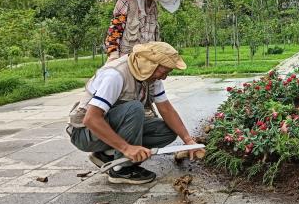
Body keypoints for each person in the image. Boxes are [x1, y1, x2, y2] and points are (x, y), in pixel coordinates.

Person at [66, 42, 204, 184]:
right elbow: (91, 119)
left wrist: (188, 140)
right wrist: (126, 148)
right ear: (149, 64)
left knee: (166, 131)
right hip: (85, 133)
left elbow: (166, 109)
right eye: (163, 72)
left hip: (107, 126)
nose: (164, 78)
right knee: (134, 108)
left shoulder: (149, 76)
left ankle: (107, 155)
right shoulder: (116, 75)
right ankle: (121, 170)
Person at [105, 0, 185, 60]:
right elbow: (115, 30)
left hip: (147, 59)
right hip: (127, 58)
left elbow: (154, 35)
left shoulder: (154, 6)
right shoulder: (126, 1)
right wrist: (113, 55)